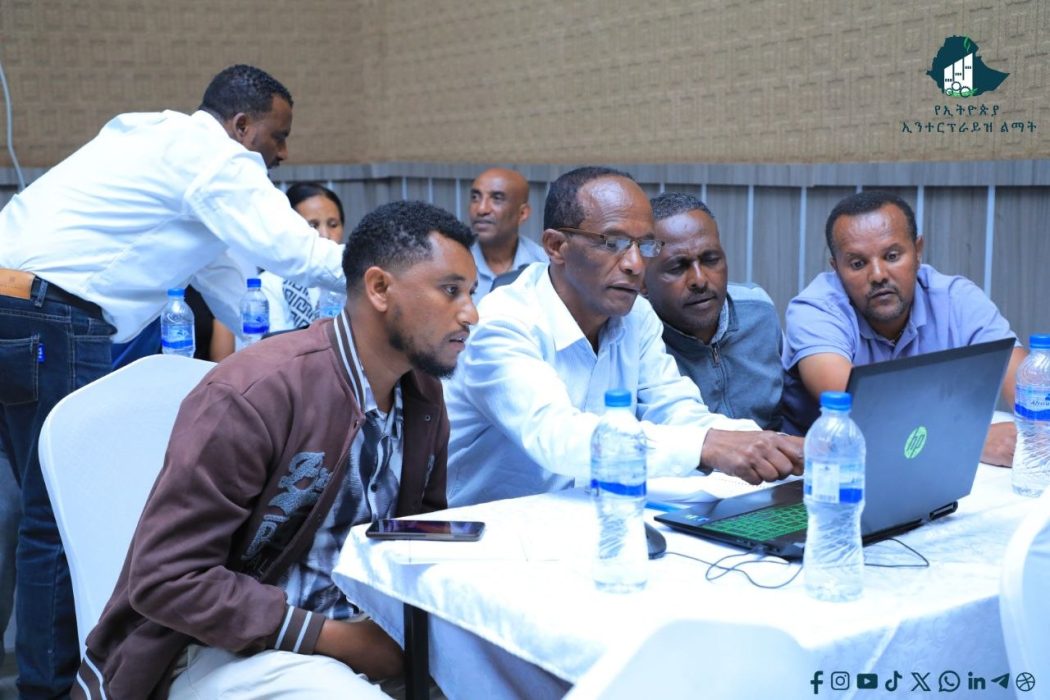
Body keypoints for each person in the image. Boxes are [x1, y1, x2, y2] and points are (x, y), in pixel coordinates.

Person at [0, 64, 346, 698]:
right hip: (52, 316)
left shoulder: (159, 143)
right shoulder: (216, 157)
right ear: (241, 125)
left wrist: (290, 353)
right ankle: (48, 691)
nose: (282, 153)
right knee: (55, 522)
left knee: (23, 511)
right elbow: (293, 253)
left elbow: (234, 285)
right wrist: (390, 273)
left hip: (15, 308)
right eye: (278, 135)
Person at [72, 201, 478, 700]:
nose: (470, 313)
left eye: (472, 293)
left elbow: (415, 533)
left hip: (365, 630)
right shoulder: (257, 391)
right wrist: (342, 641)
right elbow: (167, 579)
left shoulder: (421, 393)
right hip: (214, 647)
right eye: (451, 290)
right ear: (379, 288)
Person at [444, 167, 802, 508]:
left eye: (644, 245)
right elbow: (559, 438)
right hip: (488, 529)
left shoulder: (636, 315)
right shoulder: (503, 321)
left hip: (596, 512)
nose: (635, 264)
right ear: (555, 246)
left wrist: (771, 446)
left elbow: (675, 409)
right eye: (613, 242)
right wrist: (704, 445)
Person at [780, 190, 1026, 466]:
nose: (878, 275)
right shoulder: (816, 309)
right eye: (858, 264)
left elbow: (1033, 391)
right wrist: (969, 438)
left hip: (928, 469)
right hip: (828, 474)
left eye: (892, 256)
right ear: (836, 269)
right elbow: (859, 410)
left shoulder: (957, 299)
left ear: (918, 251)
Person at [644, 192, 784, 430]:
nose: (699, 280)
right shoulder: (636, 334)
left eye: (710, 259)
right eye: (677, 267)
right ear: (642, 282)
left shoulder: (758, 311)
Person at [261, 182, 348, 332]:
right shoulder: (269, 284)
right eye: (313, 225)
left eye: (333, 224)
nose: (325, 234)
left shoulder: (355, 278)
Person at [468, 167, 546, 302]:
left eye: (497, 199)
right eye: (475, 198)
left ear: (522, 213)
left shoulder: (544, 265)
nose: (481, 209)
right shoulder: (453, 263)